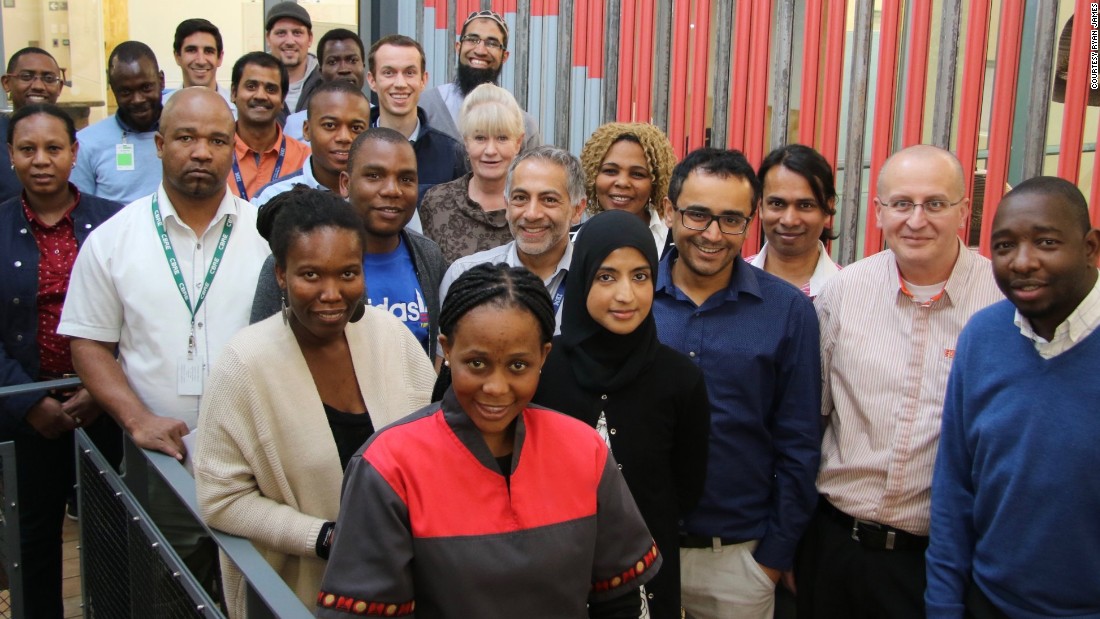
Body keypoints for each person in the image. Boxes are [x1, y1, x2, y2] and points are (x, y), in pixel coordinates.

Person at [317, 263, 660, 618]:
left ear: (543, 356)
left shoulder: (584, 450)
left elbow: (618, 600)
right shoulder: (388, 467)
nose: (495, 388)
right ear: (447, 350)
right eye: (477, 364)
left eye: (517, 366)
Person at [58, 88, 271, 590]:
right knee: (163, 590)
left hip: (253, 461)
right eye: (186, 137)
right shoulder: (114, 239)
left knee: (252, 589)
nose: (201, 151)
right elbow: (88, 343)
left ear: (232, 146)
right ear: (158, 144)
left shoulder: (267, 235)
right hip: (161, 462)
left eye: (218, 140)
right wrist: (138, 420)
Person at [195, 190, 435, 617]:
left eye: (348, 274)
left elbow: (437, 449)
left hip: (403, 587)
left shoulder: (393, 339)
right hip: (295, 593)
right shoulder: (243, 365)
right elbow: (221, 498)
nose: (331, 293)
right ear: (281, 276)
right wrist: (323, 537)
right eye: (311, 275)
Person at [798, 145, 1003, 619]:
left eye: (935, 204)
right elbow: (814, 418)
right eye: (901, 204)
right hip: (834, 548)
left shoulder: (1001, 303)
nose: (916, 220)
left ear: (963, 211)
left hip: (939, 563)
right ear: (878, 212)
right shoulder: (844, 294)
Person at [651, 148, 821, 619]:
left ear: (751, 222)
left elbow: (800, 442)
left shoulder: (788, 311)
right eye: (698, 215)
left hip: (737, 562)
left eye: (731, 220)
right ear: (669, 210)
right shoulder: (632, 298)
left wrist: (770, 560)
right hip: (637, 552)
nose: (713, 235)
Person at [926, 177, 1100, 618]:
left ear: (1091, 249)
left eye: (1045, 242)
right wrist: (943, 605)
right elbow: (954, 486)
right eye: (1004, 247)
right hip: (989, 602)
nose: (1023, 262)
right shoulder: (983, 337)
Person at [533, 209, 710, 618]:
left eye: (641, 276)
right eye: (606, 276)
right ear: (581, 278)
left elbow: (686, 488)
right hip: (552, 574)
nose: (626, 295)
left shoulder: (680, 379)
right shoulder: (544, 369)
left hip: (648, 576)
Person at [0, 103, 122, 619]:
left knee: (114, 536)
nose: (41, 160)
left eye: (54, 148)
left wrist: (100, 388)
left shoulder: (114, 223)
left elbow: (134, 315)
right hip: (26, 412)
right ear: (11, 157)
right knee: (33, 540)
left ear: (75, 153)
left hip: (105, 405)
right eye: (28, 149)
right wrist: (30, 402)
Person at [251, 129, 447, 362]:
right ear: (345, 183)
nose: (392, 190)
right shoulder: (297, 257)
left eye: (406, 179)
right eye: (374, 176)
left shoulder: (429, 256)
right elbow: (259, 351)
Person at [438, 145, 584, 334]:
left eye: (549, 200)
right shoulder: (464, 275)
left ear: (577, 210)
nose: (532, 214)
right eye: (520, 197)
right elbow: (443, 359)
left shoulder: (595, 282)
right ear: (507, 205)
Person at [419, 83, 523, 263]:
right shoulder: (436, 202)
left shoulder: (532, 207)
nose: (490, 150)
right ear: (466, 141)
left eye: (502, 138)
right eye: (480, 138)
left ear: (518, 142)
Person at [365, 34, 468, 208]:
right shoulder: (354, 147)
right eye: (389, 73)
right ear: (372, 80)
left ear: (423, 80)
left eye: (409, 73)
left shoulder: (451, 154)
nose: (400, 83)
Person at [420, 9, 541, 151]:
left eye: (492, 43)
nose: (480, 50)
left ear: (504, 56)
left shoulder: (524, 125)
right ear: (458, 48)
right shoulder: (425, 107)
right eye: (472, 40)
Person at [71, 41, 165, 204]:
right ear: (113, 89)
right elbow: (80, 211)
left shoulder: (185, 136)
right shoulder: (86, 143)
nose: (138, 99)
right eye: (126, 91)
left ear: (161, 81)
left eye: (146, 87)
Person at [253, 80, 370, 207]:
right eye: (330, 125)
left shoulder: (381, 197)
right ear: (306, 130)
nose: (344, 137)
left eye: (356, 128)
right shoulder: (272, 198)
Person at [746, 144, 841, 298]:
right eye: (777, 204)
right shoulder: (727, 283)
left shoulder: (849, 291)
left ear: (828, 208)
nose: (789, 221)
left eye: (805, 205)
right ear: (760, 205)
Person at [578, 122, 677, 256]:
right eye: (610, 171)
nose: (623, 183)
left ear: (655, 183)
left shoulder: (677, 244)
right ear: (592, 177)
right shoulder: (570, 242)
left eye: (637, 174)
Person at [228, 52, 310, 202]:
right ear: (234, 93)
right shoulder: (216, 153)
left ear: (282, 100)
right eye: (251, 86)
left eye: (271, 89)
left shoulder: (305, 159)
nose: (260, 96)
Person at [1, 47, 66, 202]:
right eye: (26, 76)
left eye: (49, 78)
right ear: (6, 83)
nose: (38, 86)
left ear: (60, 87)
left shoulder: (73, 139)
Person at [284, 28, 366, 141]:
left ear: (363, 67)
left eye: (352, 60)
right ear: (321, 72)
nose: (344, 69)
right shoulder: (295, 124)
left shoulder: (378, 119)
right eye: (333, 62)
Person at [162, 19, 235, 115]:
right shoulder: (161, 109)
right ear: (177, 56)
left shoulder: (238, 109)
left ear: (220, 58)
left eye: (208, 51)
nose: (201, 61)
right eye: (191, 50)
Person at [265, 1, 320, 125]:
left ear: (310, 38)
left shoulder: (325, 85)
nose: (290, 41)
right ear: (268, 38)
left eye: (297, 33)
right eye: (281, 33)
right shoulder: (253, 85)